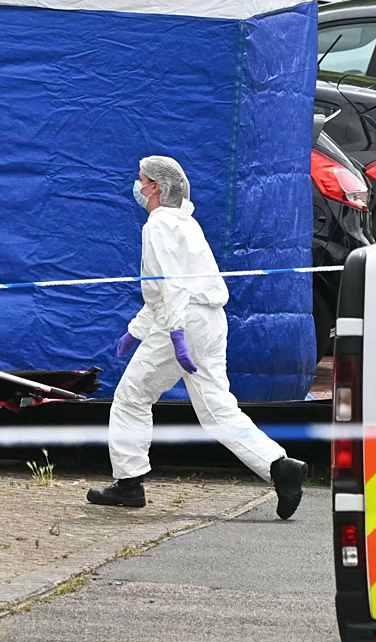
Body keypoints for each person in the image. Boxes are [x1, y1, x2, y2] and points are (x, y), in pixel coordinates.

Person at [89, 155, 310, 519]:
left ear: (156, 187)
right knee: (217, 408)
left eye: (140, 179)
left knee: (131, 397)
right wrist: (137, 330)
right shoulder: (187, 223)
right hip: (209, 320)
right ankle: (279, 466)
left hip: (184, 322)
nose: (137, 186)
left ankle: (129, 484)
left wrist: (173, 332)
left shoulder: (158, 224)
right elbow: (169, 290)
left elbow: (172, 286)